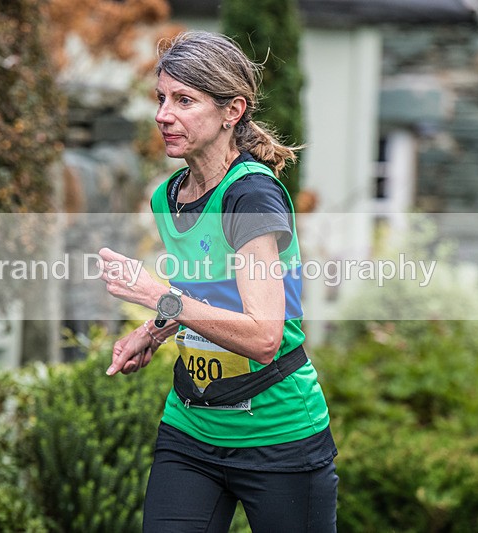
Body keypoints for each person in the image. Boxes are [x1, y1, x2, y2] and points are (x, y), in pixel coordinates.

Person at [97, 31, 338, 533]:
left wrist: (155, 296)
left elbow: (264, 337)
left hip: (278, 435)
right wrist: (153, 330)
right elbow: (203, 294)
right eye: (161, 98)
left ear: (233, 111)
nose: (164, 115)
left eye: (184, 100)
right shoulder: (169, 197)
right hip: (192, 427)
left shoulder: (250, 197)